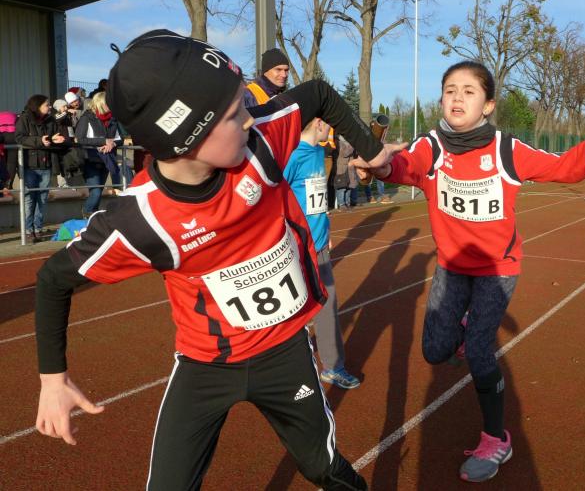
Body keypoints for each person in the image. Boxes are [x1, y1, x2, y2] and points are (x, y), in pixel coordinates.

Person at [33, 29, 397, 490]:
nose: (249, 119)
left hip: (284, 349)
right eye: (233, 113)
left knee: (321, 467)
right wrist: (53, 380)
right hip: (205, 365)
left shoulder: (261, 144)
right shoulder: (140, 220)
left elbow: (320, 95)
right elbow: (53, 279)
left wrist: (374, 154)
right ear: (184, 138)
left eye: (244, 103)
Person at [355, 60, 585, 482]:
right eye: (450, 90)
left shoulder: (507, 150)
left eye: (469, 91)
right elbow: (402, 168)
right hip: (452, 267)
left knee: (480, 352)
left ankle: (496, 439)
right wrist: (378, 166)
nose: (457, 97)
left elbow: (569, 168)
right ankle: (465, 327)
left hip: (496, 269)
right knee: (435, 351)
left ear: (488, 105)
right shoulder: (431, 146)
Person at [284, 117, 361, 389]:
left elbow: (316, 199)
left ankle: (333, 367)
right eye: (328, 125)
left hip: (319, 246)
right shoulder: (292, 155)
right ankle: (285, 372)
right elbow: (274, 199)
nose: (331, 130)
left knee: (327, 305)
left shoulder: (319, 152)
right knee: (293, 312)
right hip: (295, 249)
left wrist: (324, 229)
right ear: (318, 123)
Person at [15, 94, 62, 243]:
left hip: (46, 164)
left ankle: (38, 228)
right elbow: (19, 138)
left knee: (42, 198)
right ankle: (29, 230)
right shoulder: (24, 118)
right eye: (47, 105)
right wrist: (40, 140)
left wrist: (57, 140)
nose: (49, 107)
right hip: (30, 165)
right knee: (29, 198)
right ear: (37, 106)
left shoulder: (51, 120)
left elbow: (55, 137)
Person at [74, 92, 119, 217]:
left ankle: (92, 216)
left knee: (98, 190)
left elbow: (119, 138)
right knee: (96, 191)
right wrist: (103, 141)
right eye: (108, 103)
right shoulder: (87, 117)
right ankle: (87, 212)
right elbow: (79, 139)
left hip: (106, 159)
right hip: (90, 158)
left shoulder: (112, 118)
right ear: (100, 103)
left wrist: (112, 144)